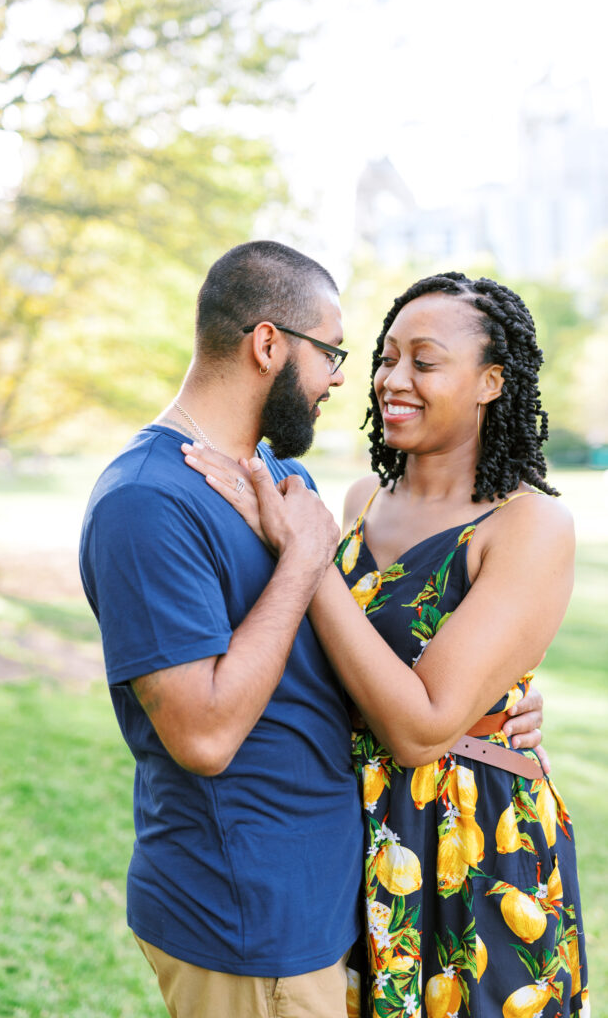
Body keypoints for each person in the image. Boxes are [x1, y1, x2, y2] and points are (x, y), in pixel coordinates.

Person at [79, 245, 544, 1018]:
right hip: (246, 916)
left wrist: (491, 711)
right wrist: (303, 561)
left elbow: (340, 665)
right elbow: (202, 737)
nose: (346, 378)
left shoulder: (278, 480)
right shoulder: (148, 500)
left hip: (337, 901)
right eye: (334, 351)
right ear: (268, 345)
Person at [183, 271, 588, 1017]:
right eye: (385, 356)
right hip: (349, 829)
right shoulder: (360, 501)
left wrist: (306, 556)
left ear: (491, 382)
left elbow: (420, 726)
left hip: (472, 844)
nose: (390, 380)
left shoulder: (529, 525)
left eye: (423, 362)